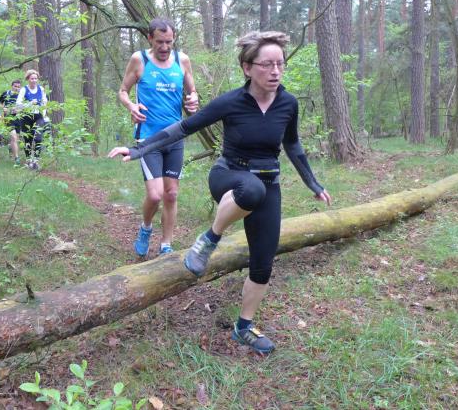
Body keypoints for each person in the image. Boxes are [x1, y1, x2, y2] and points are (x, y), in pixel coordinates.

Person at [109, 31, 332, 354]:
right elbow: (184, 128)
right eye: (267, 65)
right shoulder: (231, 102)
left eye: (280, 64)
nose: (275, 71)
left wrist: (313, 183)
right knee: (251, 189)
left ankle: (244, 328)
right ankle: (209, 240)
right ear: (247, 68)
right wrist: (138, 149)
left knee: (263, 263)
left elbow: (293, 145)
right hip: (228, 176)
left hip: (268, 183)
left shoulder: (288, 103)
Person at [117, 18, 199, 257]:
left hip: (175, 137)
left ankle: (166, 245)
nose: (165, 47)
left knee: (171, 194)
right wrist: (131, 106)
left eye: (169, 42)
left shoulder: (182, 60)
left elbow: (192, 92)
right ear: (150, 39)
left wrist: (193, 99)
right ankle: (146, 228)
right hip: (148, 138)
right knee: (155, 195)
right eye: (160, 42)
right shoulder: (139, 60)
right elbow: (123, 91)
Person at [16, 69, 49, 170]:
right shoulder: (24, 89)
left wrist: (43, 114)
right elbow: (18, 105)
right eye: (32, 79)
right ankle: (28, 160)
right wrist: (30, 103)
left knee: (38, 138)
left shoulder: (41, 89)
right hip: (26, 116)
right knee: (28, 139)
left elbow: (45, 102)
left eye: (35, 78)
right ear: (28, 79)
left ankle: (36, 161)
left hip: (38, 116)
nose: (34, 80)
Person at [0, 79, 22, 166]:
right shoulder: (6, 93)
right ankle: (16, 158)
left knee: (16, 139)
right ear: (12, 86)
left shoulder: (21, 95)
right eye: (15, 86)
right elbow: (0, 103)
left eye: (18, 87)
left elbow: (25, 105)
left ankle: (10, 147)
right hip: (8, 118)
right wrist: (3, 109)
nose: (17, 88)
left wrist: (19, 110)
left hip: (19, 118)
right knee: (13, 137)